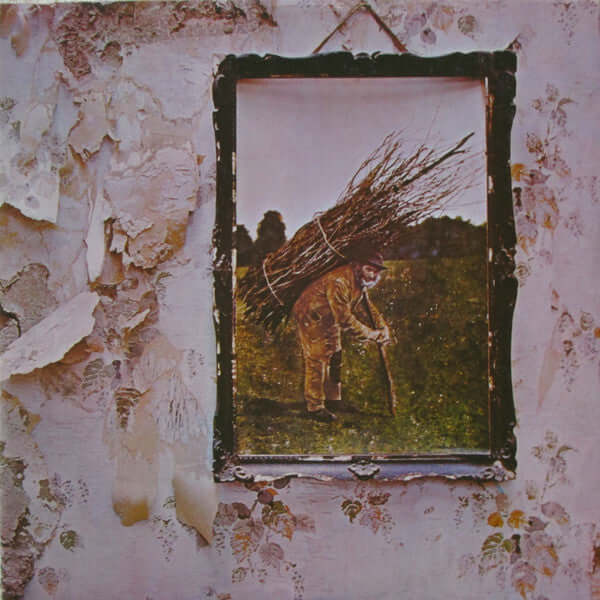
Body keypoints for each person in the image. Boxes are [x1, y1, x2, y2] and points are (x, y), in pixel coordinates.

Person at [292, 242, 391, 422]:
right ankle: (315, 407)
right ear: (358, 266)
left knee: (335, 355)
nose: (373, 275)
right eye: (369, 269)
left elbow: (367, 307)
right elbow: (345, 320)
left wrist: (382, 327)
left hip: (330, 315)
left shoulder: (359, 281)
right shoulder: (339, 282)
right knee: (317, 357)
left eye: (376, 271)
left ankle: (333, 400)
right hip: (311, 314)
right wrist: (371, 334)